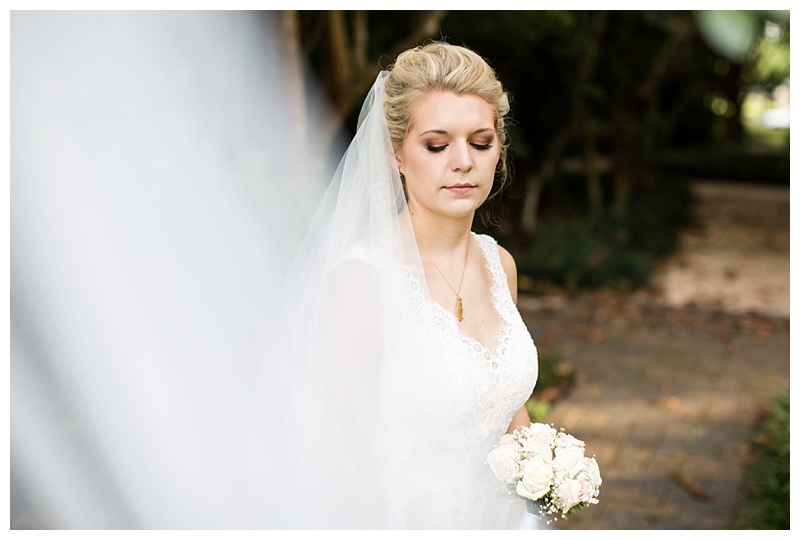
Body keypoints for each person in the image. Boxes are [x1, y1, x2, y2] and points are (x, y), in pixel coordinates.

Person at [249, 41, 539, 529]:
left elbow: (507, 405)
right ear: (396, 154)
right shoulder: (364, 281)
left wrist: (544, 477)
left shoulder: (499, 264)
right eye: (437, 144)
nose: (463, 161)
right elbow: (339, 451)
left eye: (480, 141)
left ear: (499, 150)